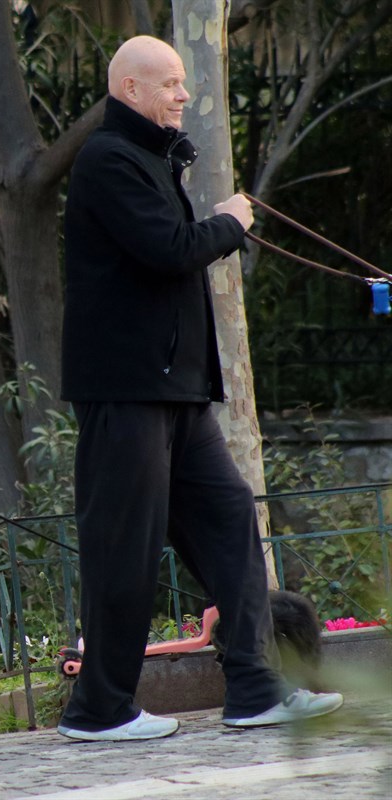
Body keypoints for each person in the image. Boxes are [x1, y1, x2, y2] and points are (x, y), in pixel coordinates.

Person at [57, 35, 343, 742]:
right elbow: (169, 250)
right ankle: (99, 710)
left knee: (230, 521)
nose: (183, 95)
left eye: (183, 83)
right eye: (170, 84)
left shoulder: (151, 159)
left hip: (179, 393)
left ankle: (254, 688)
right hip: (126, 392)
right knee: (124, 548)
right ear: (130, 89)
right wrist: (229, 224)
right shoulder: (107, 159)